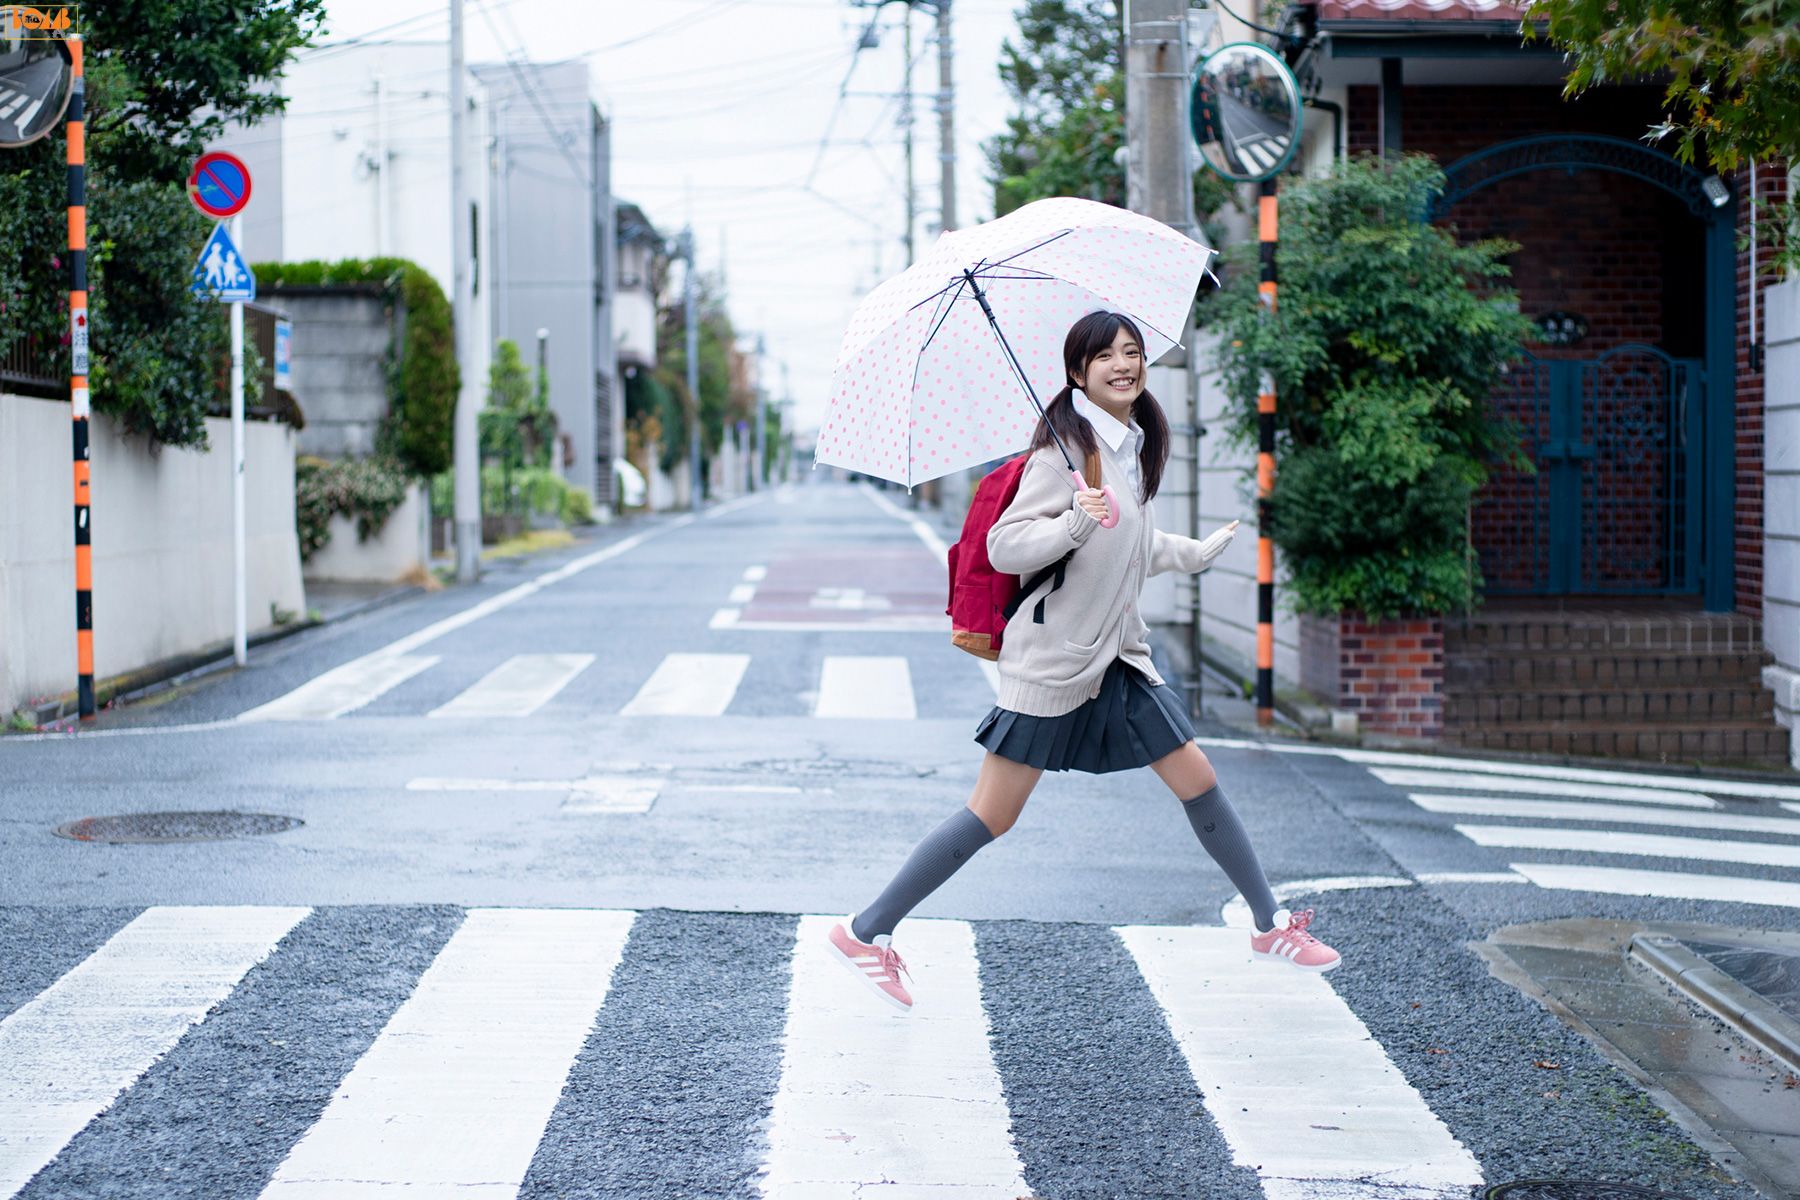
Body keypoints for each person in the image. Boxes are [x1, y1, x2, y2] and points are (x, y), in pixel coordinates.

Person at [826, 311, 1341, 1013]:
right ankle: (866, 931)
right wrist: (1072, 518)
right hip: (1055, 663)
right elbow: (1008, 547)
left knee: (1199, 778)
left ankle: (1269, 925)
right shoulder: (1059, 456)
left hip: (1118, 657)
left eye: (1133, 352)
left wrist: (1187, 554)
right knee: (991, 816)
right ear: (1078, 373)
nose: (1125, 365)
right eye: (1107, 357)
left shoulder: (1122, 447)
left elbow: (1126, 542)